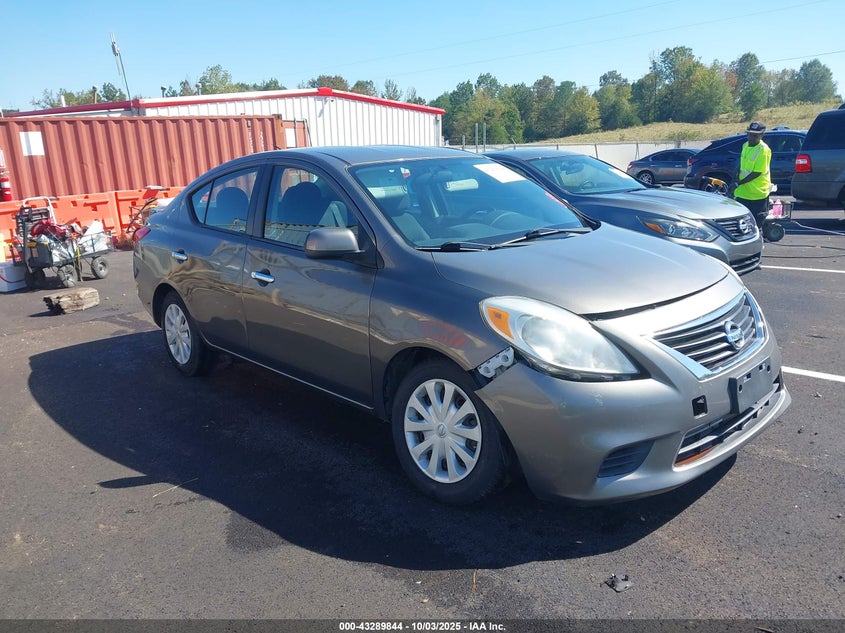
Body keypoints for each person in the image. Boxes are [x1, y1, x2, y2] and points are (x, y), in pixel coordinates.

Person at [732, 121, 772, 229]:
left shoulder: (763, 150)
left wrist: (738, 182)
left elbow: (757, 172)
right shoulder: (745, 145)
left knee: (756, 224)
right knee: (741, 222)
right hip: (743, 192)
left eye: (755, 135)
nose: (751, 137)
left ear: (762, 135)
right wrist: (735, 175)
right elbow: (742, 163)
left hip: (757, 193)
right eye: (749, 134)